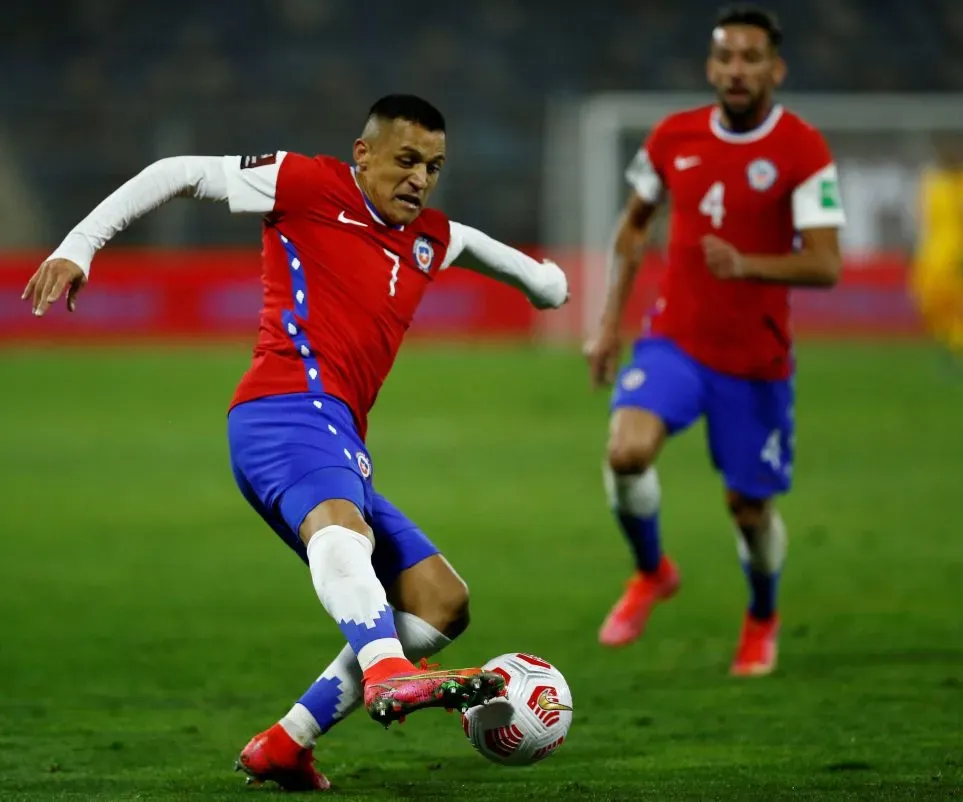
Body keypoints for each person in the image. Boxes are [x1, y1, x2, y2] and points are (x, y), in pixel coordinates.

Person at [23, 94, 569, 790]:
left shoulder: (433, 236)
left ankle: (287, 743)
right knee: (345, 534)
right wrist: (79, 246)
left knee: (440, 602)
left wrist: (547, 285)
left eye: (433, 167)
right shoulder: (306, 185)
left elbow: (523, 271)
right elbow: (175, 170)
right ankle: (388, 673)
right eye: (405, 161)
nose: (420, 179)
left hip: (336, 433)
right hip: (283, 409)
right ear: (363, 154)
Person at [584, 5, 846, 676]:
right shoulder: (673, 137)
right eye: (725, 57)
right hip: (675, 341)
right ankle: (652, 573)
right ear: (711, 66)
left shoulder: (803, 150)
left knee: (749, 509)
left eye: (751, 57)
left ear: (775, 69)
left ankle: (762, 616)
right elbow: (633, 227)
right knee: (626, 450)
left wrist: (749, 263)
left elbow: (825, 264)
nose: (736, 69)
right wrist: (609, 322)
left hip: (755, 361)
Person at [910, 135, 963, 368]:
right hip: (931, 252)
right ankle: (947, 342)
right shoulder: (931, 182)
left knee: (959, 304)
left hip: (958, 251)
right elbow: (921, 218)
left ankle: (960, 353)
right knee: (926, 298)